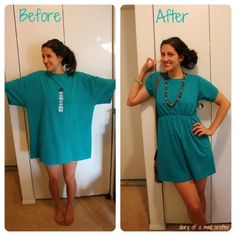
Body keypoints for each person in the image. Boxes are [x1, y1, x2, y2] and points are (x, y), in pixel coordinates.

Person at [5, 39, 115, 226]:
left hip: (72, 139)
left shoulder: (79, 79)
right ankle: (57, 205)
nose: (45, 60)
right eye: (43, 56)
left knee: (69, 177)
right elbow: (8, 88)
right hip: (49, 138)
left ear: (60, 57)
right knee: (53, 177)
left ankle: (70, 205)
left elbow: (109, 85)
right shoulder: (37, 79)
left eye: (48, 56)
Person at [127, 37, 230, 229]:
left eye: (170, 54)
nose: (165, 58)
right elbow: (131, 100)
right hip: (171, 150)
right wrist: (142, 72)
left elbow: (225, 103)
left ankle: (200, 229)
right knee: (192, 203)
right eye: (163, 54)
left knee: (199, 197)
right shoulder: (155, 80)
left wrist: (211, 129)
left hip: (197, 146)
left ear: (181, 57)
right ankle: (203, 228)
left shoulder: (196, 82)